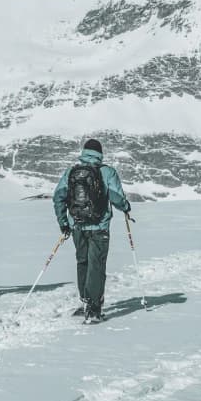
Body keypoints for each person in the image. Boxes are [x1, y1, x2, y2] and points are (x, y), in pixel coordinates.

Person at [52, 138, 131, 322]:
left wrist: (64, 223)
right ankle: (94, 310)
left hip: (77, 225)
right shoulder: (107, 172)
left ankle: (86, 301)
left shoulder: (71, 172)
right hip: (99, 227)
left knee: (83, 262)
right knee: (97, 265)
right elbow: (116, 197)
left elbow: (58, 197)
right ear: (100, 153)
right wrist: (126, 207)